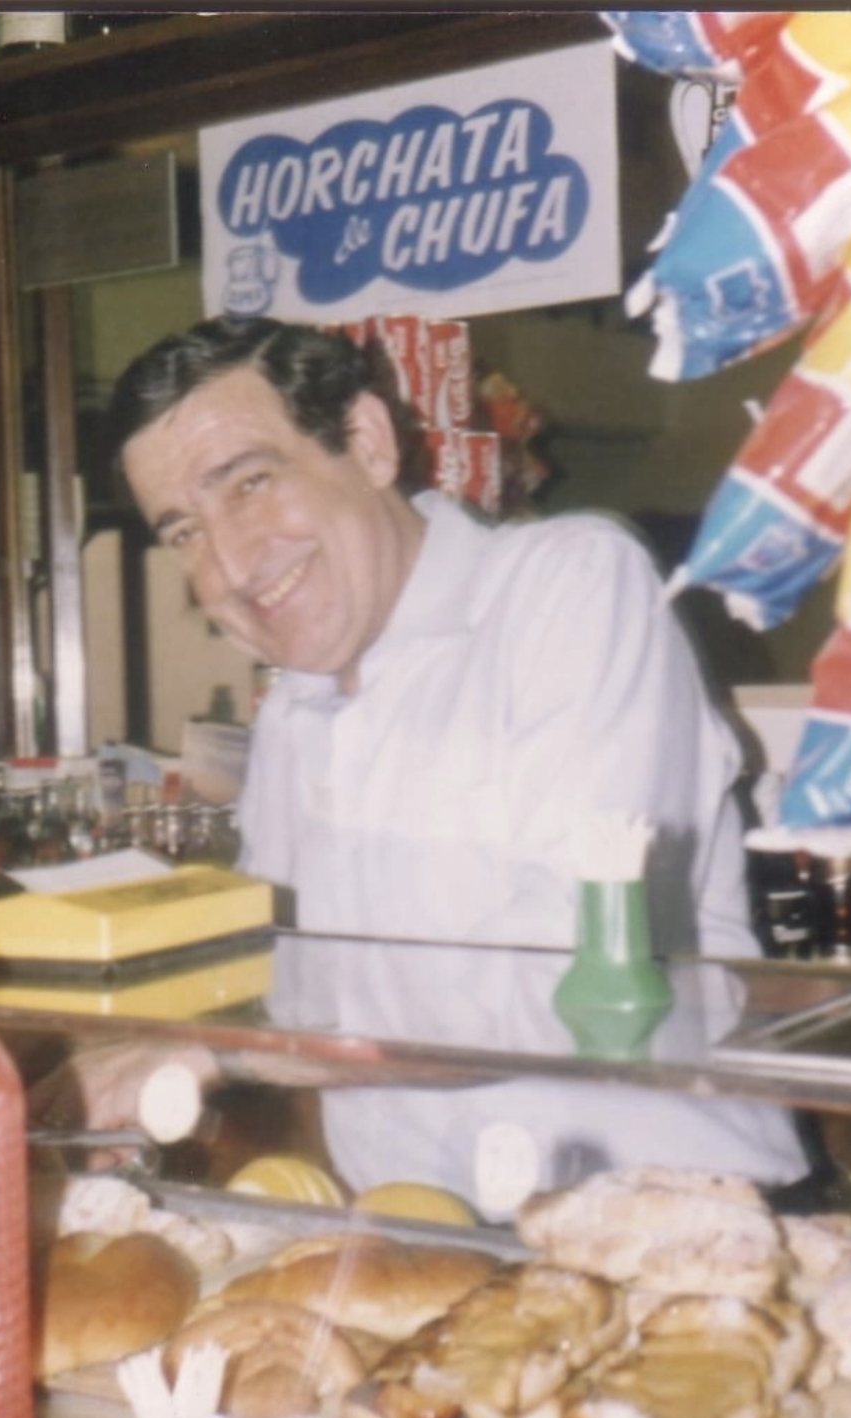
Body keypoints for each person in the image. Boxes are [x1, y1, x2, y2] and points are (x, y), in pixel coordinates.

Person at [39, 316, 809, 1201]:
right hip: (421, 1243)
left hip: (667, 1232)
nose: (229, 570)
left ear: (367, 442)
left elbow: (570, 980)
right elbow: (296, 992)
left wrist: (212, 1054)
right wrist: (131, 1063)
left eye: (250, 483)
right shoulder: (296, 705)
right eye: (183, 531)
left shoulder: (570, 587)